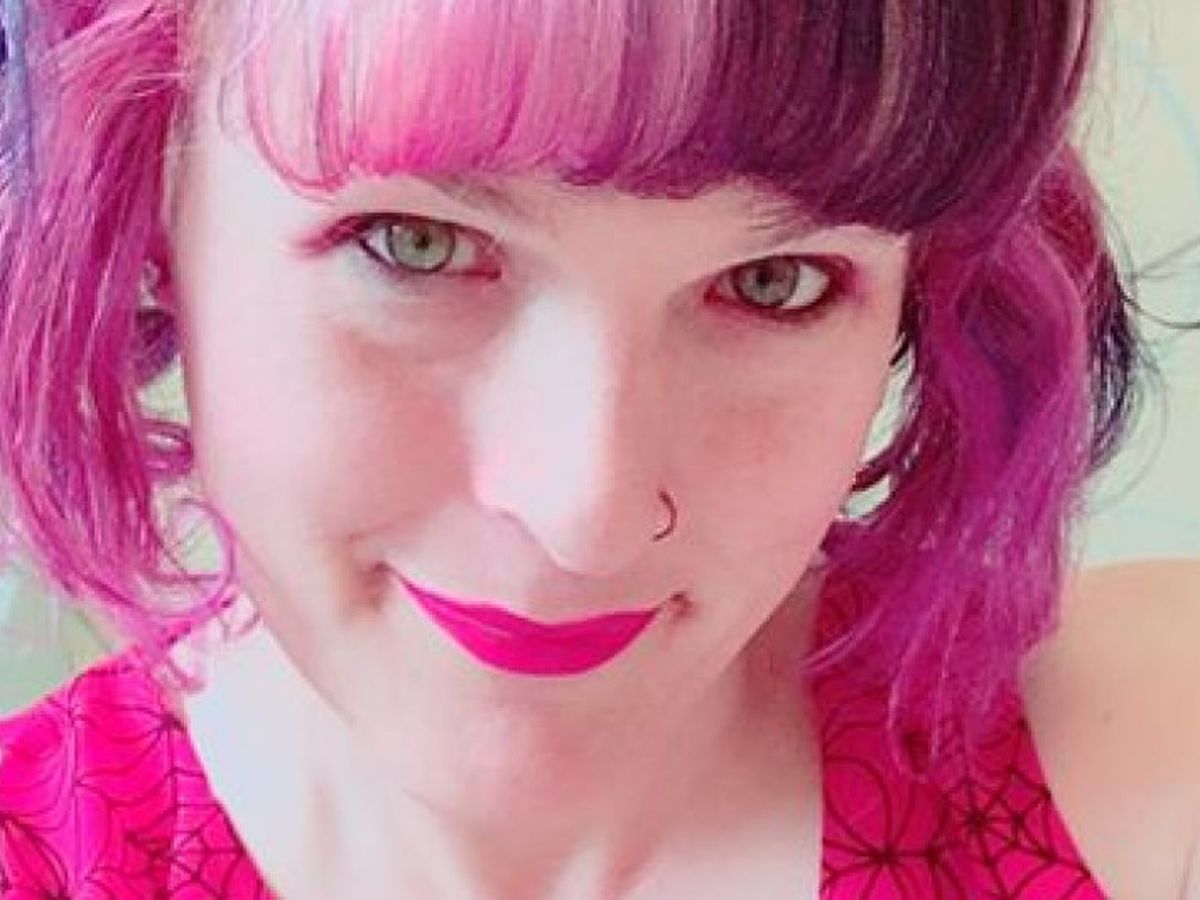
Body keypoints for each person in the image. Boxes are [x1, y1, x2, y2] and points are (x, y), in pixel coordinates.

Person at [0, 0, 1193, 897]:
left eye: (773, 282)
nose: (589, 515)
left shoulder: (1145, 773)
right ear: (148, 210)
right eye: (416, 244)